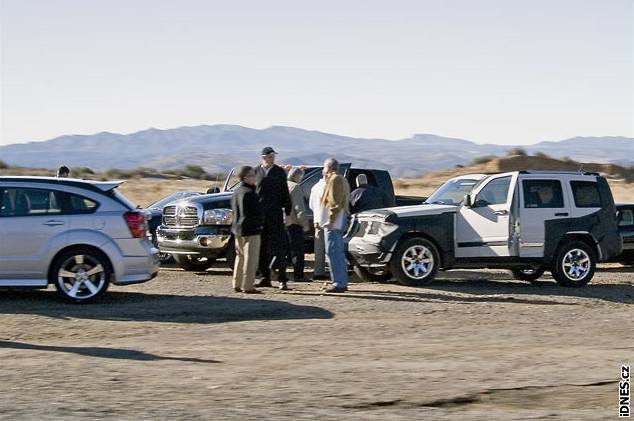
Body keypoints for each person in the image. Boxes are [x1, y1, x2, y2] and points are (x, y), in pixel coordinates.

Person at [254, 147, 292, 290]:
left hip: (275, 215)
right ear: (263, 157)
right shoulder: (256, 172)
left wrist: (288, 213)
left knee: (279, 248)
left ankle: (282, 279)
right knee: (262, 248)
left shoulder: (279, 172)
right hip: (260, 216)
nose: (271, 159)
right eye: (269, 156)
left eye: (273, 156)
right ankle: (265, 277)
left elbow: (285, 194)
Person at [230, 166, 263, 294]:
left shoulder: (237, 191)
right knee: (251, 259)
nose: (254, 178)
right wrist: (260, 224)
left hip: (237, 229)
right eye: (252, 175)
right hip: (251, 230)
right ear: (245, 177)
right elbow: (256, 213)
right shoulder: (250, 193)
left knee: (240, 257)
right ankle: (248, 285)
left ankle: (236, 283)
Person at [321, 158, 350, 293]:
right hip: (340, 217)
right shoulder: (342, 179)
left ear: (329, 168)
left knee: (333, 251)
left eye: (324, 167)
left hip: (335, 219)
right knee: (338, 251)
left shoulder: (334, 180)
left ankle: (339, 282)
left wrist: (331, 220)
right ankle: (341, 281)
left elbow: (334, 202)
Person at [286, 167, 309, 282]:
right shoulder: (295, 187)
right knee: (298, 250)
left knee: (284, 249)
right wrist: (304, 223)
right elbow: (299, 207)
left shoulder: (284, 185)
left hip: (284, 221)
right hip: (295, 222)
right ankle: (298, 275)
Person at [309, 175, 329, 281]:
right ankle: (333, 271)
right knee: (331, 247)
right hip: (328, 220)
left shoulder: (315, 187)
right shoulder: (329, 186)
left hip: (317, 219)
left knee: (319, 248)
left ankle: (318, 272)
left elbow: (311, 205)